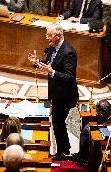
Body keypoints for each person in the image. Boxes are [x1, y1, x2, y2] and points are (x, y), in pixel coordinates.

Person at [28, 23, 79, 160]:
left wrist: (53, 72)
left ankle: (63, 152)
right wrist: (36, 62)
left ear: (58, 36)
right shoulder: (52, 48)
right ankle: (64, 150)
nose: (46, 38)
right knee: (58, 122)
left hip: (65, 95)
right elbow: (47, 63)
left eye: (49, 35)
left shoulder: (69, 52)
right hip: (56, 92)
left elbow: (69, 77)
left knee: (58, 122)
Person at [63, 99, 111, 167]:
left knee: (87, 128)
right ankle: (81, 156)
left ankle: (82, 157)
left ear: (101, 115)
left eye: (98, 113)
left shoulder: (108, 123)